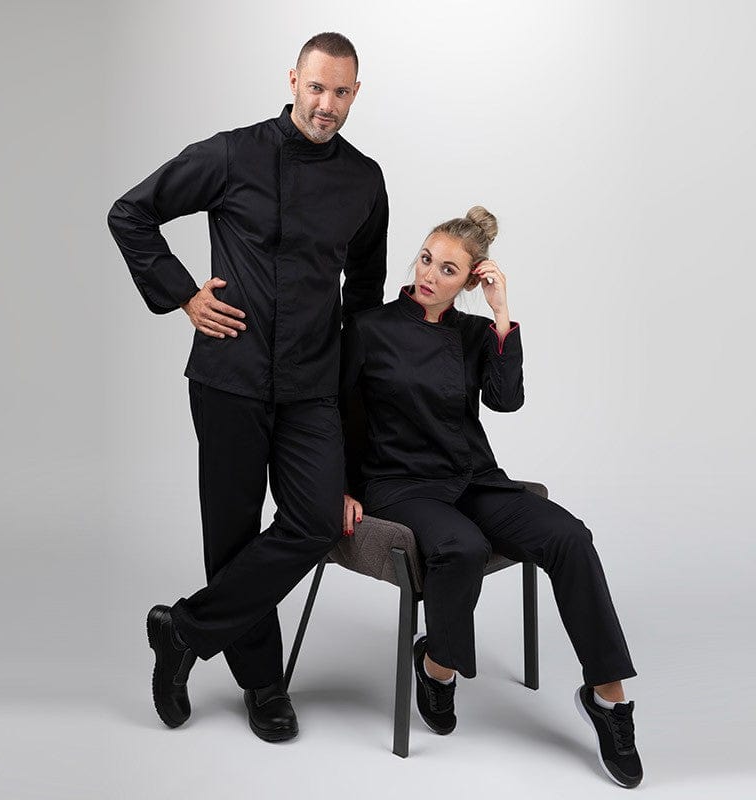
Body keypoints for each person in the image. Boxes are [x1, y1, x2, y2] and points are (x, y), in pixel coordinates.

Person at [107, 32, 388, 742]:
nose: (326, 105)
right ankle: (264, 684)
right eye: (316, 87)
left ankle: (184, 631)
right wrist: (183, 295)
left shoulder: (365, 180)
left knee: (316, 521)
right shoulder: (233, 154)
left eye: (341, 92)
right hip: (229, 376)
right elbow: (130, 212)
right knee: (232, 535)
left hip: (312, 385)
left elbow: (364, 296)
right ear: (293, 80)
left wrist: (358, 404)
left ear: (357, 93)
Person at [339, 207, 643, 788]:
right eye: (426, 259)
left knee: (570, 537)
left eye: (447, 269)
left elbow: (506, 401)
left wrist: (502, 314)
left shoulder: (475, 333)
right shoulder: (370, 328)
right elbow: (337, 412)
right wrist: (341, 488)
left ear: (469, 280)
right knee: (462, 546)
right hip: (400, 483)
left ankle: (609, 699)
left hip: (473, 477)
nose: (428, 275)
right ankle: (438, 668)